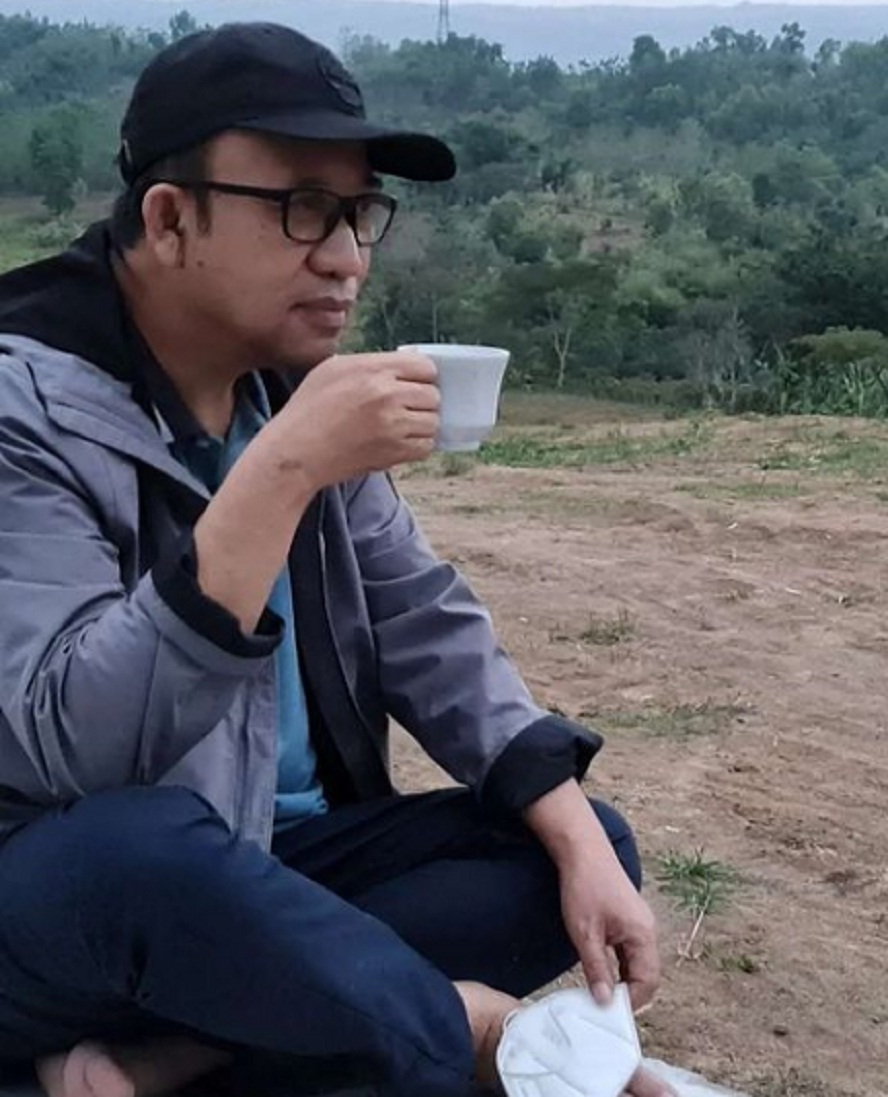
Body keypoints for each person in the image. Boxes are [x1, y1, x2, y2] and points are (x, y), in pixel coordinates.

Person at [0, 22, 673, 1097]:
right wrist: (279, 472)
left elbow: (422, 623)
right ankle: (463, 1030)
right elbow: (66, 747)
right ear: (169, 219)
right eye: (303, 208)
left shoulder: (288, 385)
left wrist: (571, 828)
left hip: (271, 874)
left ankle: (191, 1050)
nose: (348, 257)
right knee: (139, 852)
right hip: (67, 889)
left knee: (575, 845)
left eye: (360, 213)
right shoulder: (24, 407)